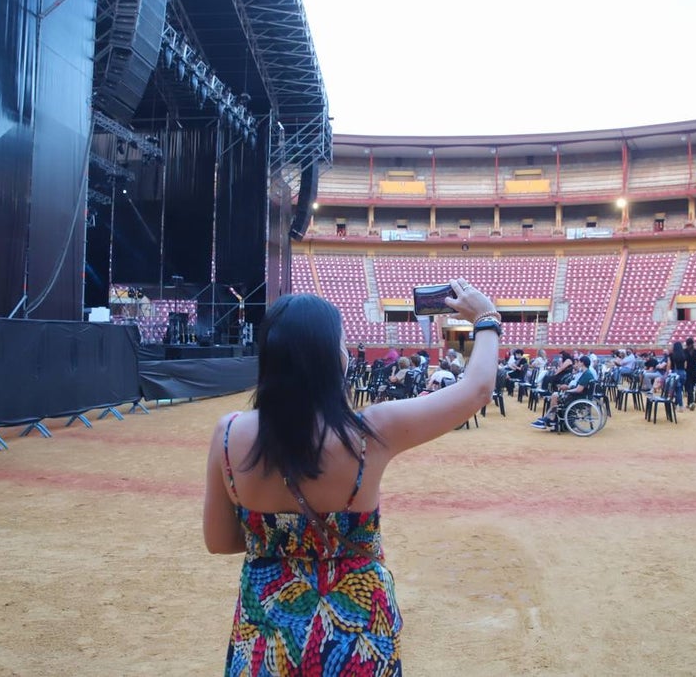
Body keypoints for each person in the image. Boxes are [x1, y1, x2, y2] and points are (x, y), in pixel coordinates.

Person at [203, 280, 500, 675]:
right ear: (332, 358)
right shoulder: (371, 432)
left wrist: (284, 542)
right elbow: (478, 390)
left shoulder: (228, 434)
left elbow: (220, 541)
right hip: (356, 627)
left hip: (269, 632)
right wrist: (486, 318)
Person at [531, 355, 596, 429]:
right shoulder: (587, 373)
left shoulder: (586, 374)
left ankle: (551, 419)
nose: (577, 363)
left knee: (555, 396)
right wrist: (568, 388)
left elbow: (579, 389)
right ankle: (549, 418)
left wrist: (568, 390)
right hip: (581, 396)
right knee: (555, 395)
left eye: (579, 362)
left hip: (578, 398)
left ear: (582, 363)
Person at [683, 337, 696, 410]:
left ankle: (691, 403)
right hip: (695, 372)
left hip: (687, 372)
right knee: (691, 388)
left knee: (689, 388)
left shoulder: (684, 352)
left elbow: (684, 363)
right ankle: (690, 403)